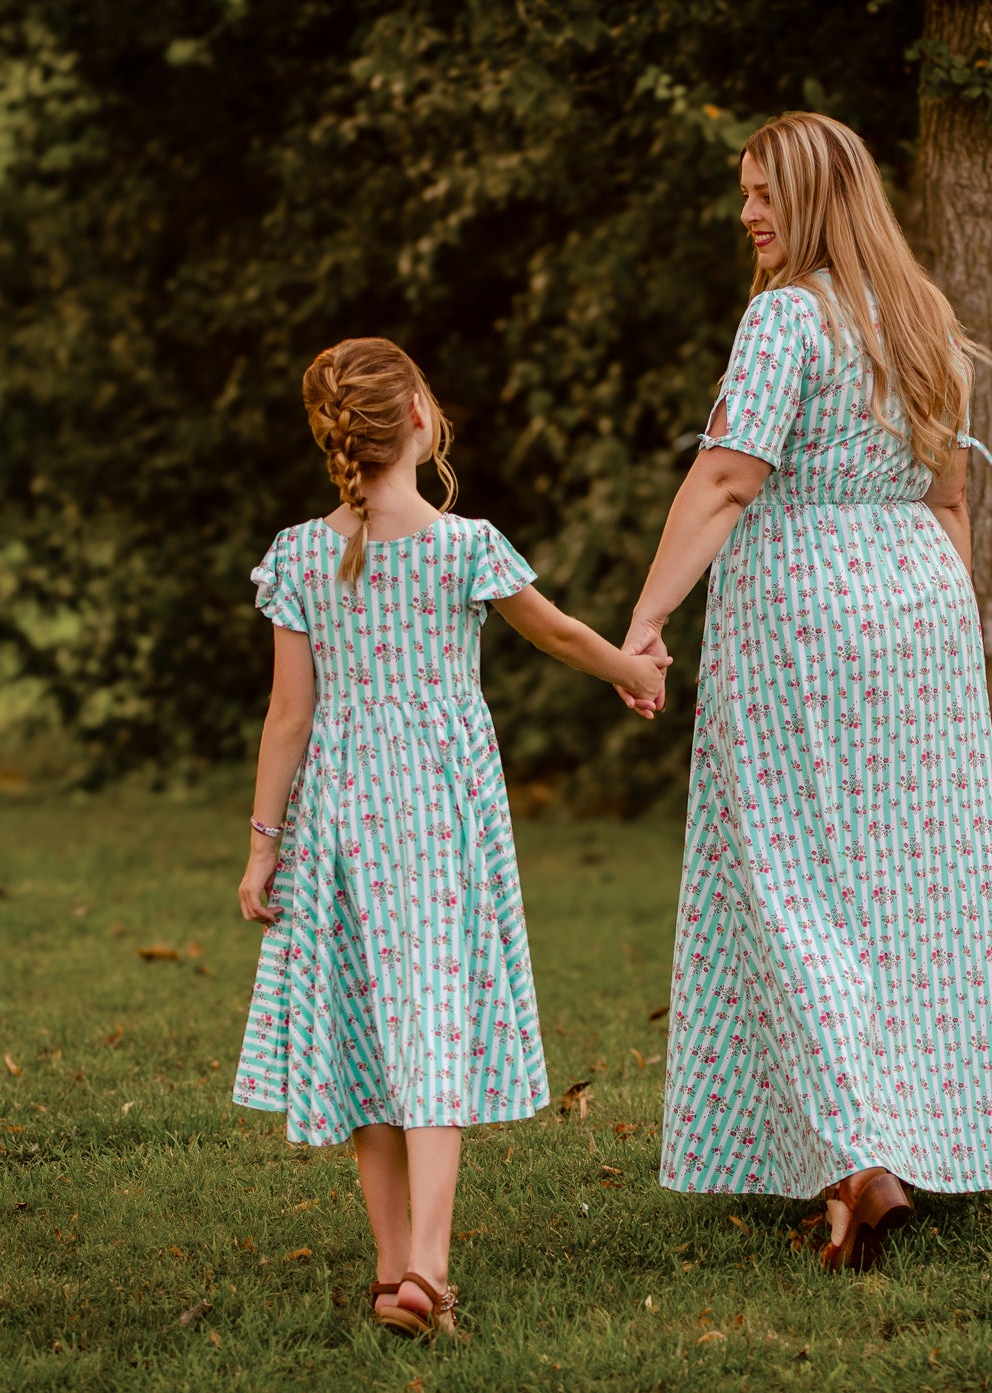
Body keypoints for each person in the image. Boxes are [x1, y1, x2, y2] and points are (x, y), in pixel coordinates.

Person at [618, 112, 992, 1271]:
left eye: (763, 194)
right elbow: (949, 498)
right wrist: (928, 626)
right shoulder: (921, 320)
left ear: (814, 201)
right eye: (743, 193)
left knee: (782, 876)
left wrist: (648, 617)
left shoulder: (784, 318)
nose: (746, 215)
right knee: (897, 889)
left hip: (803, 612)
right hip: (918, 613)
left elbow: (723, 478)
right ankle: (874, 1151)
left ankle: (859, 1155)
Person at [233, 337, 670, 1338]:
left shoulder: (300, 552)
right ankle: (426, 1266)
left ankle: (394, 1269)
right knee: (429, 1021)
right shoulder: (463, 545)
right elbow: (556, 630)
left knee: (365, 1030)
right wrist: (630, 671)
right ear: (419, 423)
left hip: (338, 817)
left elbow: (287, 715)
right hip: (433, 815)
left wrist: (265, 841)